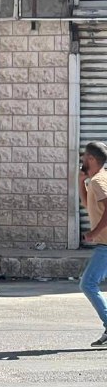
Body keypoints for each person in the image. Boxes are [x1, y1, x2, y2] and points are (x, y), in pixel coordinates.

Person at [79, 141, 107, 346]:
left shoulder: (99, 181)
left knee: (88, 284)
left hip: (105, 243)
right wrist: (81, 181)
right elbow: (87, 203)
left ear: (91, 159)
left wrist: (93, 232)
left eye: (84, 157)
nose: (82, 161)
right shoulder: (96, 180)